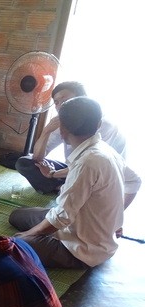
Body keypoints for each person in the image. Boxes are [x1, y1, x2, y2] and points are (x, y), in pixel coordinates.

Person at [10, 96, 128, 268]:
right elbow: (134, 181)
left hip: (83, 248)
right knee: (17, 216)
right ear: (98, 124)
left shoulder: (88, 162)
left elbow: (62, 217)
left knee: (12, 247)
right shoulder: (103, 150)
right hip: (80, 224)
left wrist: (29, 235)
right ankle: (40, 237)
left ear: (63, 129)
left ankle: (38, 242)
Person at [15, 81, 141, 207]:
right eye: (57, 102)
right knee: (24, 162)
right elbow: (37, 157)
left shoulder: (102, 125)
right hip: (74, 170)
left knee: (20, 217)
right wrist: (46, 131)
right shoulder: (63, 123)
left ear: (82, 99)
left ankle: (69, 192)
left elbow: (89, 166)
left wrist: (53, 174)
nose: (60, 106)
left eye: (65, 100)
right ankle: (61, 189)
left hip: (97, 179)